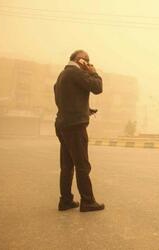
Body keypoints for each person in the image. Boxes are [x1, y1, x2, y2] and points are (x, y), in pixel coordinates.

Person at [54, 50, 105, 212]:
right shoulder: (75, 72)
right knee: (82, 165)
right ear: (80, 61)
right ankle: (88, 201)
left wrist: (84, 109)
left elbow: (62, 100)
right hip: (75, 126)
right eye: (87, 61)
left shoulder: (62, 76)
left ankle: (66, 201)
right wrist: (94, 72)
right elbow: (97, 87)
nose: (89, 65)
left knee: (67, 165)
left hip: (63, 124)